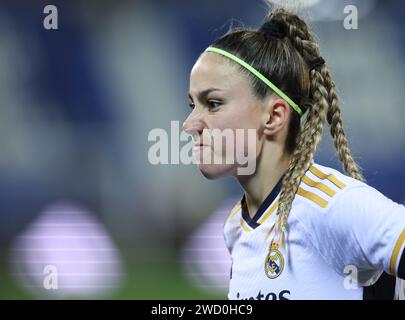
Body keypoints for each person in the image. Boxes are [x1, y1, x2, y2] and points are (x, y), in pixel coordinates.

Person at [183, 7, 405, 299]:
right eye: (192, 105)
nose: (190, 124)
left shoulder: (331, 206)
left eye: (213, 103)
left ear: (274, 116)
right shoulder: (236, 226)